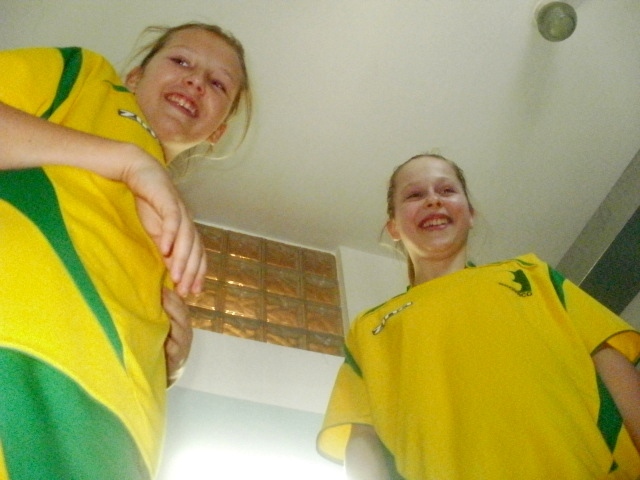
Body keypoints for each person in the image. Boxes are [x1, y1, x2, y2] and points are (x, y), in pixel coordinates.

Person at [0, 21, 252, 479]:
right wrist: (129, 161)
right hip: (15, 349)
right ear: (134, 77)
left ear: (218, 131)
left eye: (218, 84)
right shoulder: (85, 76)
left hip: (119, 434)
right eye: (181, 61)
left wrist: (167, 360)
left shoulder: (174, 226)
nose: (196, 81)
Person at [317, 153, 640, 479]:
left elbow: (614, 372)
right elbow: (363, 440)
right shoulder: (370, 327)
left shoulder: (532, 275)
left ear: (470, 214)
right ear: (394, 227)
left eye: (446, 190)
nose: (433, 200)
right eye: (415, 194)